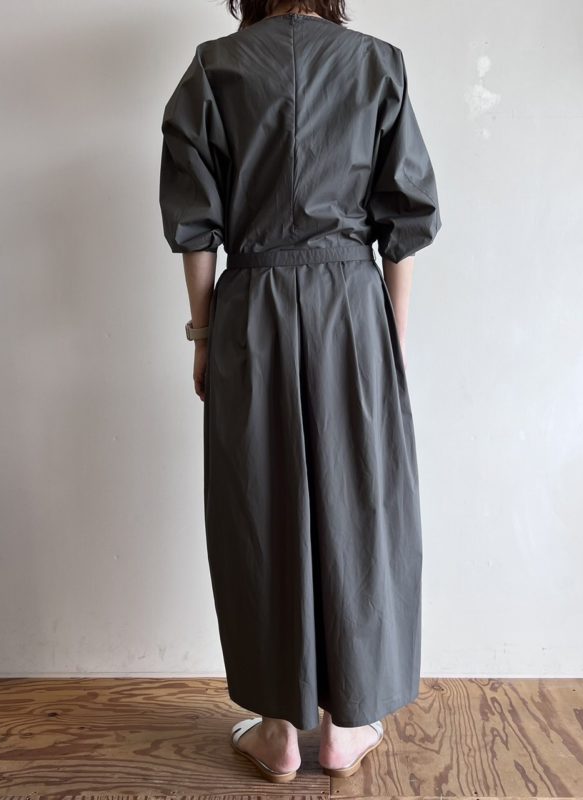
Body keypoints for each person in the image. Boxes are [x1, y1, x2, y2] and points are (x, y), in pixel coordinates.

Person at [159, 0, 441, 784]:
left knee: (258, 505)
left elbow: (195, 225)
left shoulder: (215, 67)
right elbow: (405, 222)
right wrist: (392, 341)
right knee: (361, 503)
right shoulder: (376, 62)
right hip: (352, 307)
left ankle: (280, 731)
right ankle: (346, 727)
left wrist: (203, 334)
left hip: (252, 306)